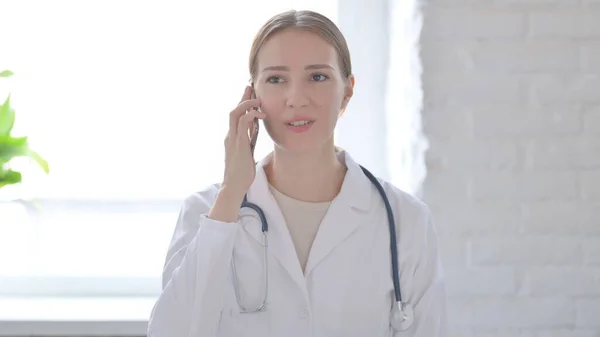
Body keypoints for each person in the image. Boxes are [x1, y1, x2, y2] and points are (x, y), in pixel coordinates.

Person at [147, 9, 447, 337]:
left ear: (347, 90)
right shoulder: (207, 212)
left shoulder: (406, 221)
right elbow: (170, 331)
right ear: (253, 95)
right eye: (276, 79)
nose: (296, 99)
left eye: (317, 77)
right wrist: (231, 193)